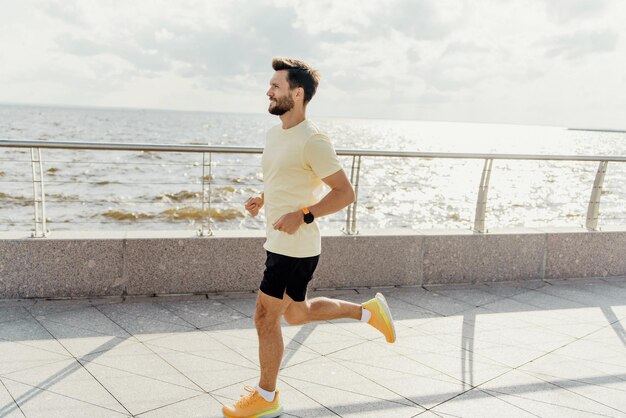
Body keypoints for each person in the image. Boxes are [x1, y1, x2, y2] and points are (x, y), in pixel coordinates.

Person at [222, 58, 396, 418]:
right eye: (270, 85)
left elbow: (344, 193)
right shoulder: (275, 134)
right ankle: (367, 312)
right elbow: (286, 178)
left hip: (295, 248)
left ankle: (266, 397)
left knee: (264, 317)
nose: (268, 91)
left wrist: (304, 214)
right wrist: (264, 197)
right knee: (297, 315)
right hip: (280, 242)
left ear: (297, 93)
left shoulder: (314, 140)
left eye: (276, 86)